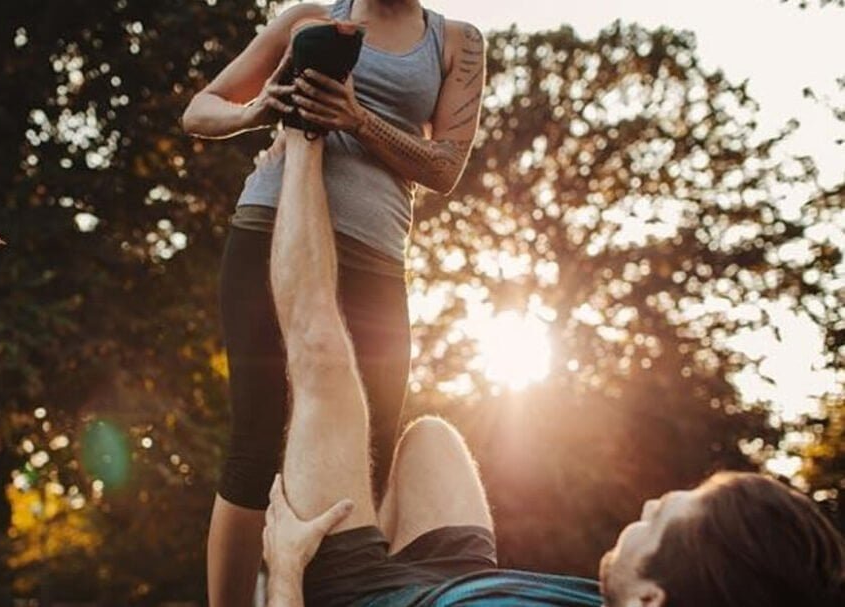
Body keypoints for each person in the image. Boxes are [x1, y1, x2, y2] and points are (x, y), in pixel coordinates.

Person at [259, 112, 845, 606]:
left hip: (368, 595)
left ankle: (303, 133)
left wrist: (284, 575)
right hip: (461, 586)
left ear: (649, 599)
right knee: (432, 439)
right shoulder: (664, 594)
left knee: (322, 353)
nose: (646, 504)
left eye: (659, 517)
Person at [181, 1, 487, 603]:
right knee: (255, 439)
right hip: (273, 227)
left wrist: (356, 119)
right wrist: (259, 109)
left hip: (375, 255)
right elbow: (199, 109)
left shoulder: (456, 42)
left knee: (369, 450)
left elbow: (447, 167)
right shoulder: (310, 18)